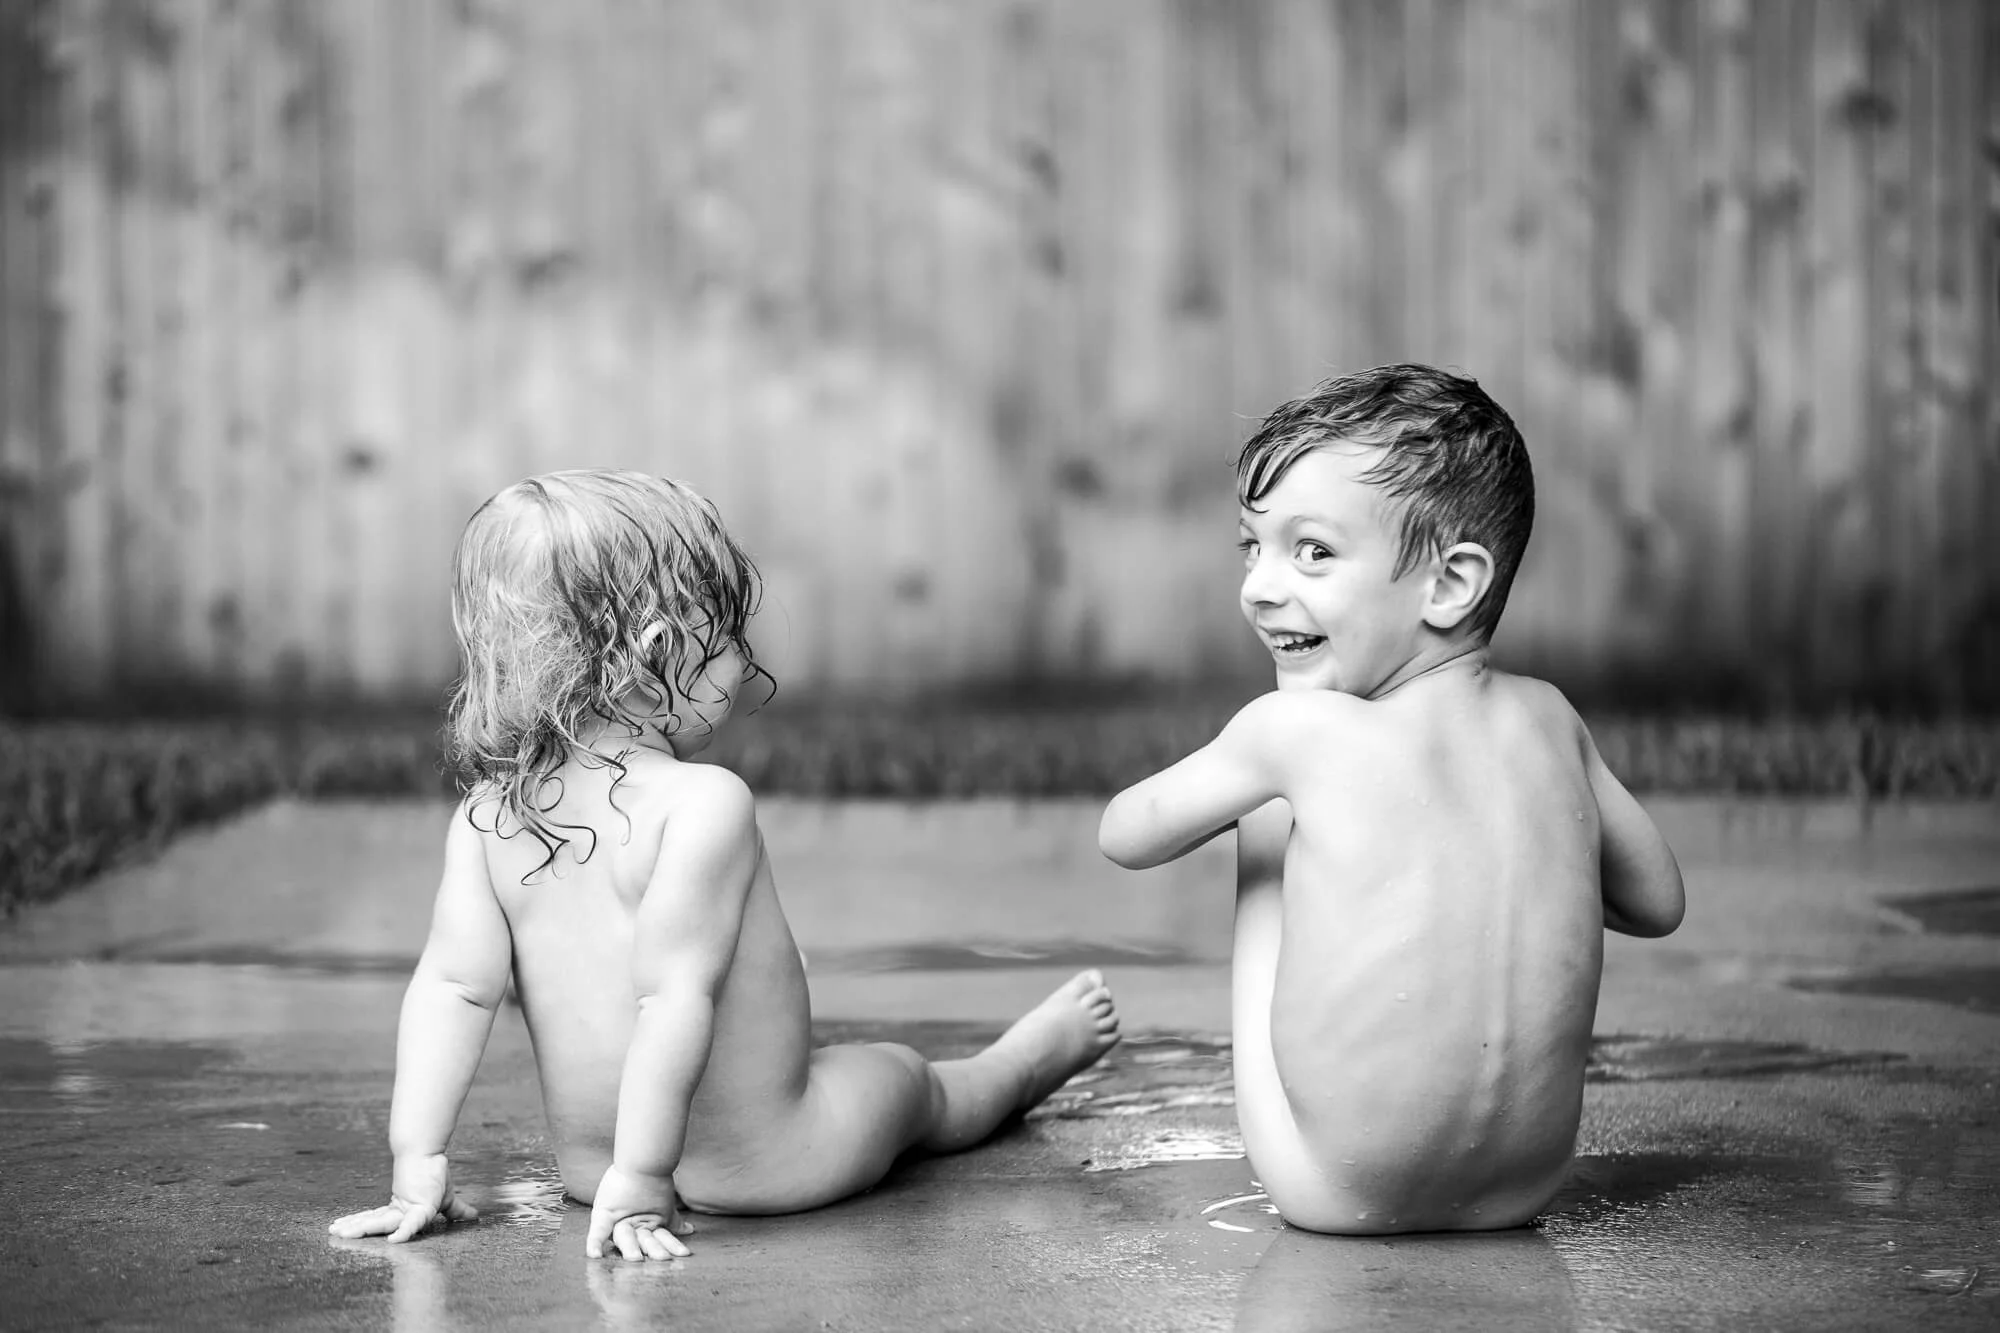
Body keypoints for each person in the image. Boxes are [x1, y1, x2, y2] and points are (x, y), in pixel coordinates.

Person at [330, 469, 1121, 1261]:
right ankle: (1015, 1066)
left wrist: (419, 1161)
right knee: (908, 1079)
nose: (744, 665)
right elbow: (672, 996)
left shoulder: (487, 816)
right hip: (767, 1163)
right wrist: (646, 1177)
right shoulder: (702, 803)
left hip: (590, 1169)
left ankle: (605, 1165)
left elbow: (452, 990)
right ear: (657, 654)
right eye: (728, 639)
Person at [1099, 364, 1683, 1235]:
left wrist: (1256, 767)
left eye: (1314, 551)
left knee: (1270, 802)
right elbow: (1657, 902)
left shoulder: (1296, 732)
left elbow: (1125, 834)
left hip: (1335, 1190)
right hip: (1526, 1185)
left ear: (1450, 585)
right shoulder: (1553, 723)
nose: (1260, 585)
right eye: (1252, 545)